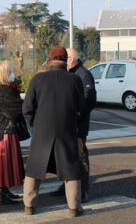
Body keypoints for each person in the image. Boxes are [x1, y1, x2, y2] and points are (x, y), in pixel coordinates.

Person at [22, 46, 84, 217]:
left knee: (34, 168)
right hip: (66, 130)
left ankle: (29, 205)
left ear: (49, 60)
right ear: (65, 61)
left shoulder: (37, 79)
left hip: (42, 131)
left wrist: (34, 127)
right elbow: (81, 107)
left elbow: (27, 108)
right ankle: (74, 207)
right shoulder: (75, 80)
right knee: (71, 168)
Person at [50, 48, 96, 203]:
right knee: (65, 158)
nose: (65, 61)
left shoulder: (83, 74)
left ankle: (83, 191)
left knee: (81, 158)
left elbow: (89, 100)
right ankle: (66, 187)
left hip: (78, 126)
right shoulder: (68, 73)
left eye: (66, 58)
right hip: (65, 125)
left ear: (71, 59)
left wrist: (76, 114)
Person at [0, 61, 25, 205]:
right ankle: (1, 194)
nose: (12, 73)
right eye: (9, 71)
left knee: (3, 163)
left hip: (1, 131)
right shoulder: (4, 90)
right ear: (3, 74)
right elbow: (16, 110)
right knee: (5, 163)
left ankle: (4, 191)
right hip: (7, 131)